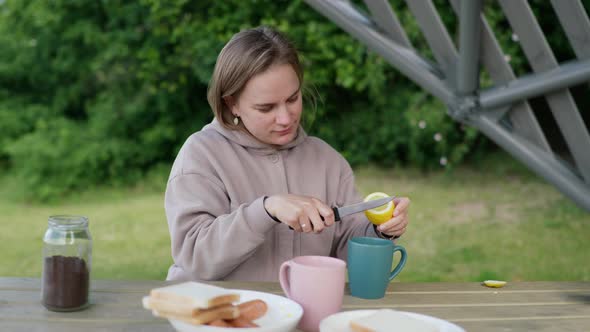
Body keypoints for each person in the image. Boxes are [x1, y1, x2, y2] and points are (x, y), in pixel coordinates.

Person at [165, 26, 410, 282]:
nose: (285, 118)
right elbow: (195, 260)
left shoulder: (327, 160)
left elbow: (347, 250)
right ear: (231, 103)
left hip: (301, 314)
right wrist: (266, 209)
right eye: (266, 107)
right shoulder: (201, 155)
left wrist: (381, 231)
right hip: (215, 315)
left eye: (293, 99)